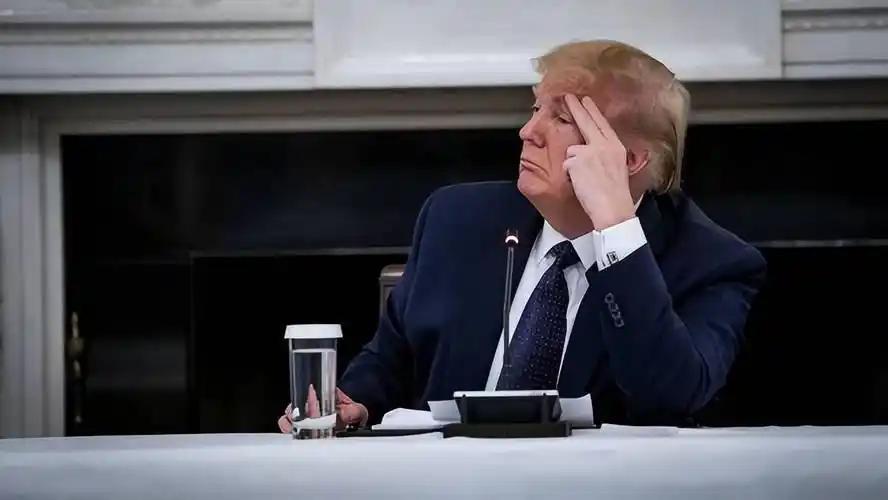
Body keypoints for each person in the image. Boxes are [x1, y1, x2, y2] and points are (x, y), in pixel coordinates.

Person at [279, 39, 766, 432]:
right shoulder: (457, 219)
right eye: (535, 108)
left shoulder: (711, 262)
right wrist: (355, 403)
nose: (528, 131)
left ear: (630, 160)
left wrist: (616, 229)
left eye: (562, 118)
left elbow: (672, 396)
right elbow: (392, 359)